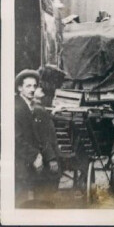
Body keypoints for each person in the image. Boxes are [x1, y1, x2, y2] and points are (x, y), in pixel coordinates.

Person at [15, 69, 60, 207]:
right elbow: (17, 139)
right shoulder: (16, 108)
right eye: (28, 86)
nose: (32, 89)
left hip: (34, 160)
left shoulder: (32, 106)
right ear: (19, 88)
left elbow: (41, 135)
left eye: (34, 86)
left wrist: (45, 156)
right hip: (21, 160)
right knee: (20, 199)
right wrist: (35, 156)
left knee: (44, 189)